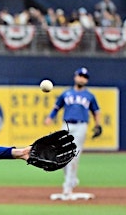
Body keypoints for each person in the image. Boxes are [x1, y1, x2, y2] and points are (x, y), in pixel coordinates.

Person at [44, 67, 102, 200]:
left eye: (85, 77)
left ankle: (67, 188)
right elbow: (56, 107)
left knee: (73, 156)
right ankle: (72, 179)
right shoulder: (66, 93)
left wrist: (98, 125)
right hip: (67, 125)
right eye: (80, 76)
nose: (82, 78)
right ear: (75, 77)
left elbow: (96, 111)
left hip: (81, 125)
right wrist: (50, 117)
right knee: (62, 155)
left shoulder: (89, 96)